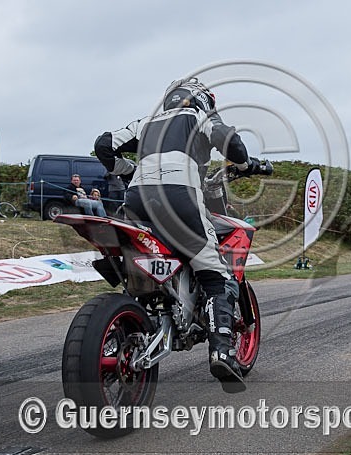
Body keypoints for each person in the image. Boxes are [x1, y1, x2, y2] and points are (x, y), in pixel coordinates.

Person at [94, 77, 261, 391]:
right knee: (217, 274)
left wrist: (127, 170)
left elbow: (103, 144)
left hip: (137, 199)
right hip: (179, 196)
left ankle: (135, 319)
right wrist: (245, 162)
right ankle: (223, 350)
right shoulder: (198, 116)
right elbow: (231, 142)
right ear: (202, 99)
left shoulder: (147, 123)